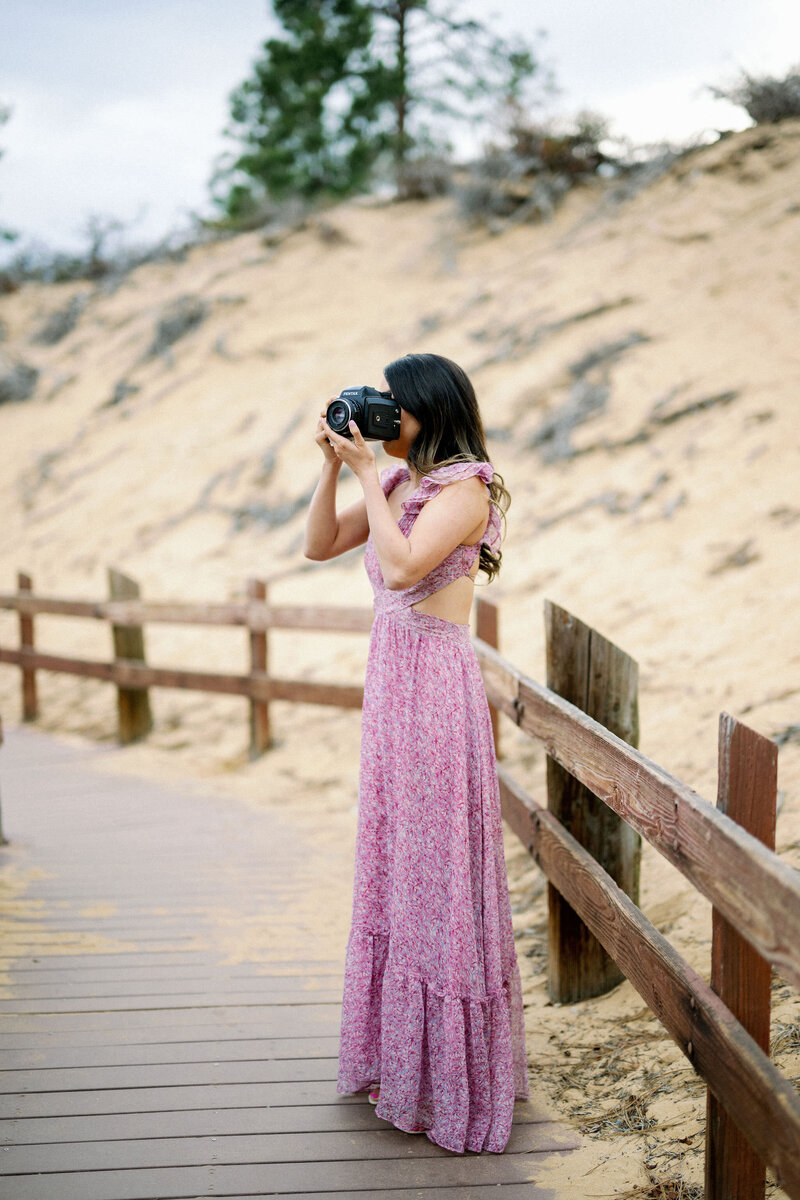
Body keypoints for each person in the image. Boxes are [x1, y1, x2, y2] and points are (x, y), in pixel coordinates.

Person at [303, 352, 528, 1154]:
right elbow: (319, 543)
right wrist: (334, 467)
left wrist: (369, 470)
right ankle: (401, 1060)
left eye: (394, 404)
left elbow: (402, 567)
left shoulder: (465, 488)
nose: (383, 415)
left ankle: (450, 1076)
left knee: (435, 870)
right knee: (400, 863)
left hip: (433, 681)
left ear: (431, 408)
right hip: (393, 681)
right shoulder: (400, 482)